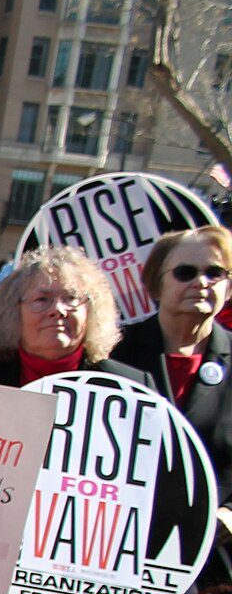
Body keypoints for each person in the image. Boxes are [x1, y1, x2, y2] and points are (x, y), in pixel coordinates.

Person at [111, 227, 232, 546]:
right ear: (156, 284)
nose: (201, 282)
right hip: (117, 540)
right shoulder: (111, 351)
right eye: (185, 272)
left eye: (215, 273)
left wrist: (231, 513)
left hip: (212, 552)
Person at [0, 247, 148, 388]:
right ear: (14, 311)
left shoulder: (129, 387)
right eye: (42, 299)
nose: (57, 310)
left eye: (71, 298)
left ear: (91, 311)